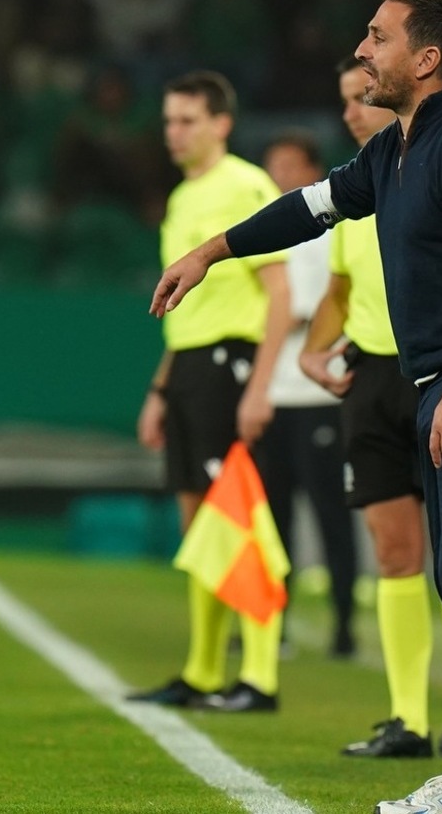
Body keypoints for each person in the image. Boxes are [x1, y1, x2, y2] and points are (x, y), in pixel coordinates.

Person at [151, 0, 442, 811]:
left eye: (378, 36)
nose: (363, 49)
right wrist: (212, 251)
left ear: (427, 58)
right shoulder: (396, 148)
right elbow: (309, 209)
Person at [298, 56, 442, 761]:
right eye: (342, 99)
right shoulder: (355, 194)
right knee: (395, 554)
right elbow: (339, 289)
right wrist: (312, 352)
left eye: (358, 96)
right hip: (370, 381)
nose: (348, 111)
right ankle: (408, 720)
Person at [129, 70, 291, 713]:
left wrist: (261, 386)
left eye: (187, 120)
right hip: (191, 367)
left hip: (233, 364)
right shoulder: (181, 198)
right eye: (169, 121)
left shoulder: (246, 186)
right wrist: (160, 389)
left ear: (222, 123)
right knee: (199, 524)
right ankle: (201, 670)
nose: (174, 132)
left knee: (241, 516)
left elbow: (280, 294)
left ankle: (259, 676)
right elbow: (183, 311)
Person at [256, 129, 359, 660]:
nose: (280, 174)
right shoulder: (264, 233)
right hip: (272, 396)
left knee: (330, 514)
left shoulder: (326, 235)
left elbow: (317, 307)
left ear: (313, 171)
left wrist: (273, 318)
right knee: (273, 520)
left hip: (318, 396)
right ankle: (272, 626)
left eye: (290, 164)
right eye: (273, 164)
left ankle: (344, 624)